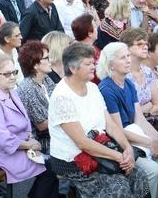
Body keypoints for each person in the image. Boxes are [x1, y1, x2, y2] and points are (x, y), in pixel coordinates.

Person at [47, 42, 150, 198]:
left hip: (100, 148)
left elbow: (112, 126)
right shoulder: (62, 96)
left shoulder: (93, 88)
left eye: (92, 62)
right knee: (117, 186)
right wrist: (119, 157)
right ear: (73, 69)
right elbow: (82, 143)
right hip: (73, 158)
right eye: (88, 64)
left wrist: (127, 148)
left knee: (139, 176)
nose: (93, 66)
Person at [0, 54, 60, 198]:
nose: (12, 77)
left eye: (14, 72)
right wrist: (29, 145)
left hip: (20, 148)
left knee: (54, 166)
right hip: (3, 154)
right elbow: (4, 139)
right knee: (51, 168)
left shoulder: (11, 92)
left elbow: (26, 120)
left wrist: (30, 138)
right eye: (6, 73)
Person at [97, 42, 158, 198]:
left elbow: (139, 119)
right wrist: (147, 142)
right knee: (153, 169)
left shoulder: (128, 83)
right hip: (121, 142)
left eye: (128, 56)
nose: (128, 60)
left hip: (135, 136)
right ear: (111, 65)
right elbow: (117, 130)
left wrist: (157, 139)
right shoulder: (106, 90)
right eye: (122, 58)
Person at [17, 41, 56, 154]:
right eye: (47, 58)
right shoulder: (27, 88)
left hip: (54, 133)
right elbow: (42, 125)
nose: (51, 61)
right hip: (40, 142)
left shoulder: (46, 79)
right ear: (35, 65)